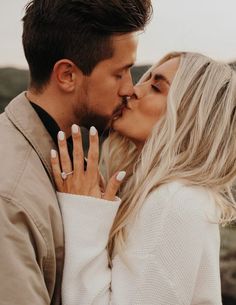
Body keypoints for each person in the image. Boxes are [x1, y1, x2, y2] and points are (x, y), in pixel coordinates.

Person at [51, 52, 236, 305]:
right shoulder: (171, 194)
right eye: (145, 80)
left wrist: (84, 212)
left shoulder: (174, 200)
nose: (134, 90)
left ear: (189, 115)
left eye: (157, 87)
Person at [0, 0, 152, 304]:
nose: (130, 89)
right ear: (67, 75)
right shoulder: (10, 196)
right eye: (120, 73)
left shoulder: (69, 160)